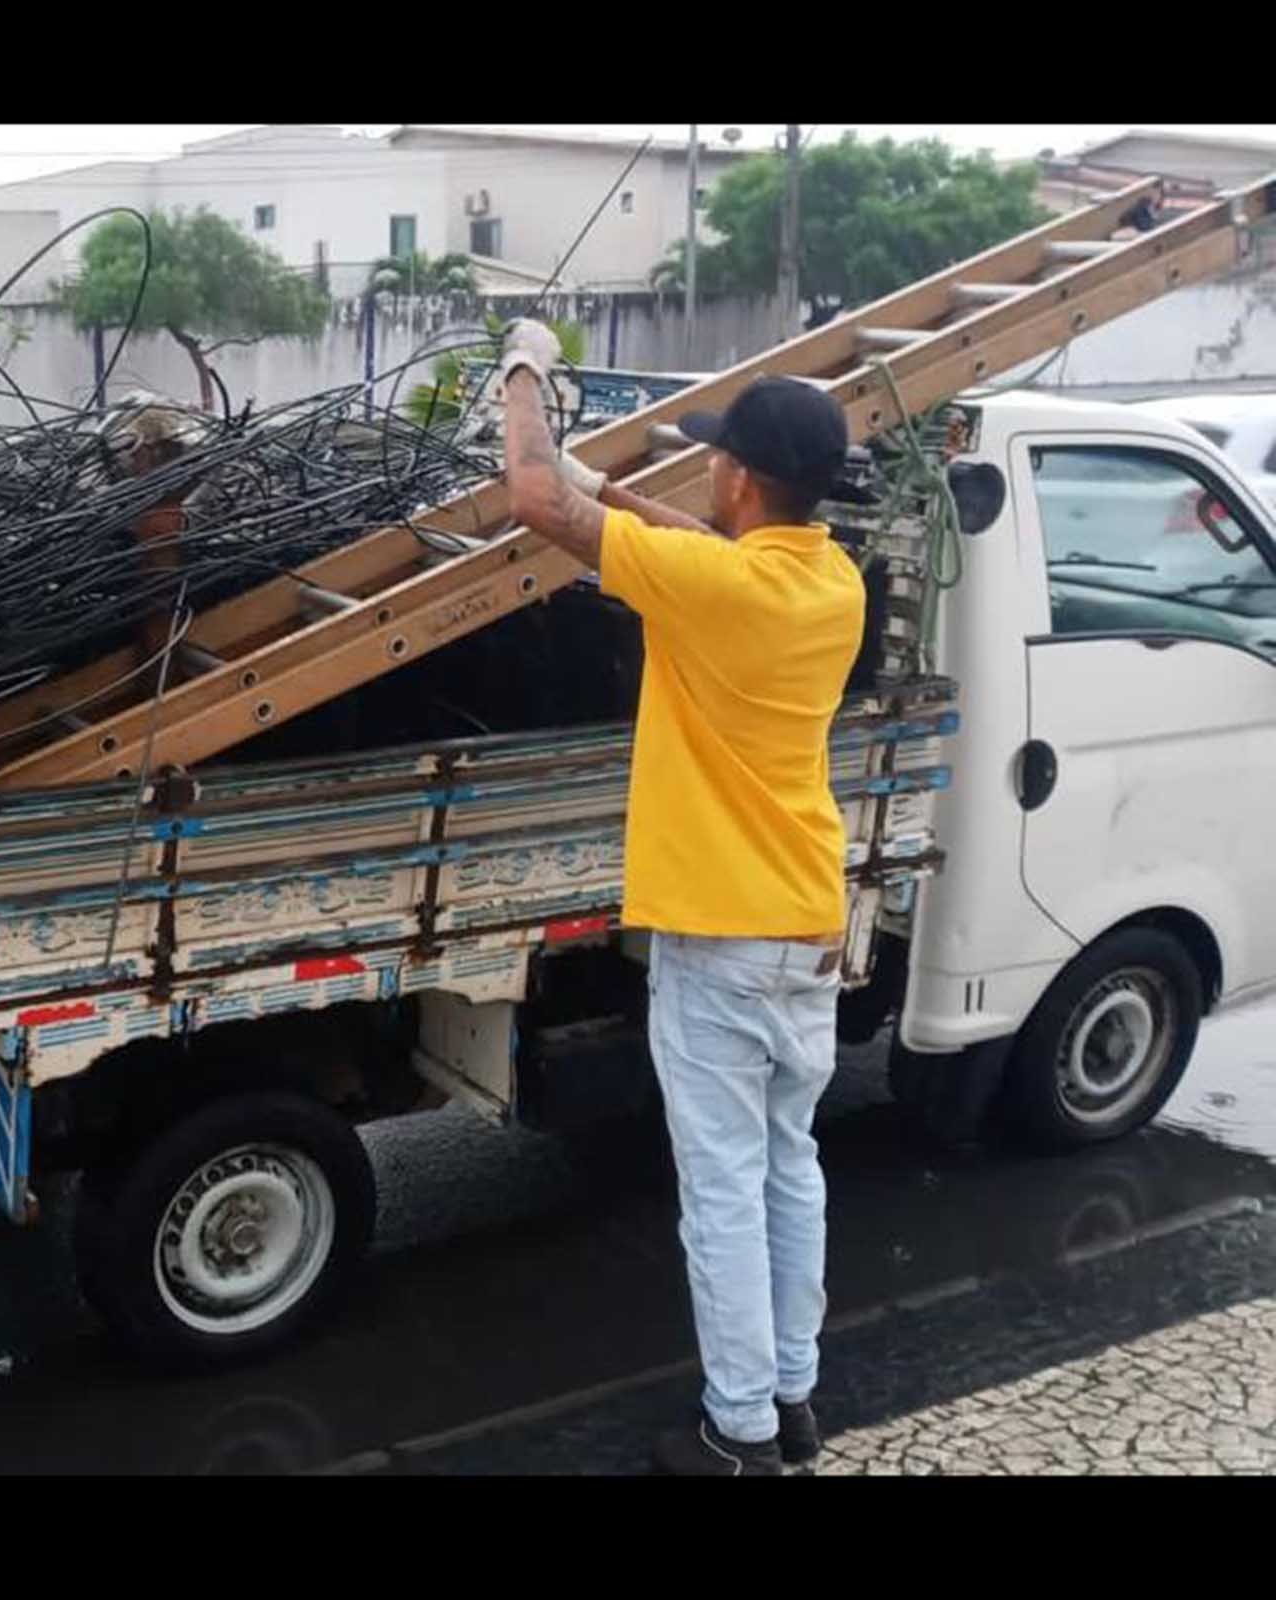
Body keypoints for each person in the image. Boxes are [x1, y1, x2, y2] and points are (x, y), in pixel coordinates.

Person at [487, 321, 866, 1476]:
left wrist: (524, 369)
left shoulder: (721, 591)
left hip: (722, 939)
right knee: (788, 1166)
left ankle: (740, 1432)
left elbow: (528, 496)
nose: (707, 470)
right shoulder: (825, 577)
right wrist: (612, 487)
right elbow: (699, 543)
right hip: (804, 922)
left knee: (723, 1193)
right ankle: (792, 1400)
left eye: (717, 457)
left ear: (745, 475)